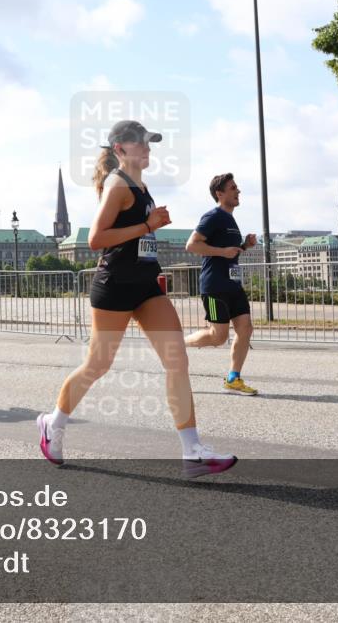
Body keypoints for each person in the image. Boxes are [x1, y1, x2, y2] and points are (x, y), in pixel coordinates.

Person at [37, 120, 237, 479]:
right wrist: (148, 225)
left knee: (176, 360)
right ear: (120, 149)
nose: (148, 148)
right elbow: (96, 239)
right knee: (98, 365)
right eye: (141, 143)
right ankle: (54, 424)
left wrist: (151, 225)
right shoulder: (117, 184)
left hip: (145, 283)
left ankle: (192, 451)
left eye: (149, 143)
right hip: (114, 285)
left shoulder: (140, 185)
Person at [184, 172, 258, 396]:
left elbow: (230, 253)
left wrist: (244, 246)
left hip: (233, 284)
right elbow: (192, 245)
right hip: (215, 285)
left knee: (245, 328)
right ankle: (177, 344)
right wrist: (221, 251)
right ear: (220, 193)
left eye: (237, 187)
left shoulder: (231, 219)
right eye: (233, 188)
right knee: (218, 336)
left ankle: (233, 378)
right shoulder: (213, 216)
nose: (238, 191)